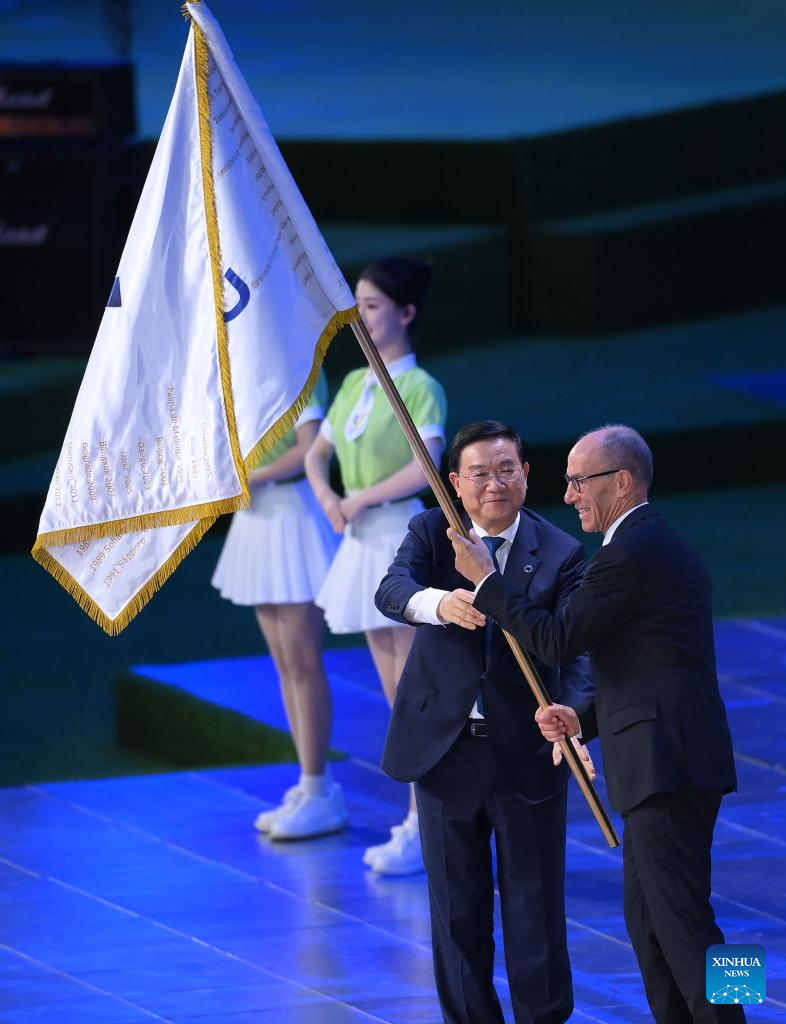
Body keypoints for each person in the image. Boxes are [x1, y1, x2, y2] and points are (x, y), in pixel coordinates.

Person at [450, 424, 744, 1024]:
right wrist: (582, 717)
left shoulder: (628, 554)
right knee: (653, 925)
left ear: (624, 481)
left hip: (668, 767)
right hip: (674, 761)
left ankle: (736, 1015)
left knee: (688, 928)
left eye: (581, 481)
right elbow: (648, 668)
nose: (570, 494)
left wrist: (487, 582)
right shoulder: (651, 546)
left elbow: (557, 641)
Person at [375, 420, 595, 1024]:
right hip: (445, 753)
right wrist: (439, 603)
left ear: (526, 474)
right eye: (479, 473)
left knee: (536, 910)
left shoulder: (560, 552)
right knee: (456, 915)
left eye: (507, 470)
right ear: (455, 482)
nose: (494, 484)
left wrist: (574, 716)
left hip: (527, 750)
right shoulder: (430, 529)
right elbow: (391, 590)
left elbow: (576, 652)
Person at [305, 256, 447, 875]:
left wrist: (360, 497)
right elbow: (317, 453)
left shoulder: (419, 386)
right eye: (358, 305)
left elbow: (429, 463)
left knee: (416, 690)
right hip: (361, 542)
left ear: (406, 313)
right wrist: (329, 498)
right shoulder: (358, 384)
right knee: (394, 693)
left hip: (402, 538)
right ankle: (421, 819)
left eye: (372, 307)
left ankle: (429, 822)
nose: (361, 318)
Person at [212, 373, 345, 841]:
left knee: (303, 661)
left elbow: (307, 451)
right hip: (258, 517)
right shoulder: (246, 364)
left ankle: (319, 789)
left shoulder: (300, 365)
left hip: (291, 516)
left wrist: (251, 476)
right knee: (285, 664)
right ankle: (311, 784)